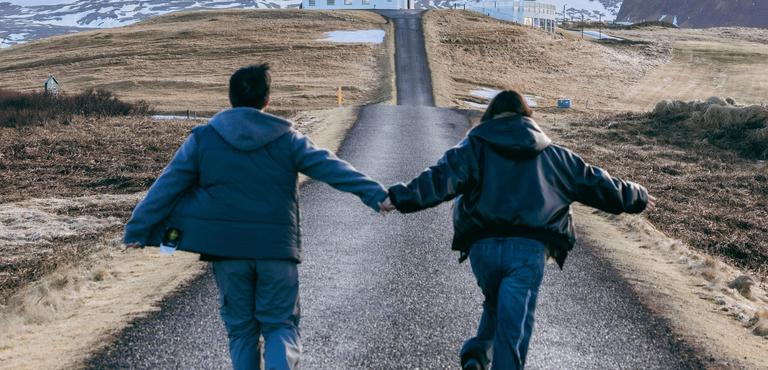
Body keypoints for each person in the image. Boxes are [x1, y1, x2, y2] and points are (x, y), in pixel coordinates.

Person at [123, 63, 388, 370]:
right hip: (275, 249)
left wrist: (137, 230)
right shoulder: (287, 139)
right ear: (267, 101)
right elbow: (331, 167)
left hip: (226, 252)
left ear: (230, 97)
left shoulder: (203, 139)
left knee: (242, 330)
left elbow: (166, 187)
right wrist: (376, 194)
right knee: (279, 325)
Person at [379, 90, 656, 370]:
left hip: (482, 250)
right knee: (514, 329)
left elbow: (439, 178)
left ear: (491, 116)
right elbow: (594, 183)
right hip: (527, 251)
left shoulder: (472, 147)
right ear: (526, 117)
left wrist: (399, 197)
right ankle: (483, 358)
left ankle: (476, 356)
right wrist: (638, 196)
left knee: (496, 304)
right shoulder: (553, 155)